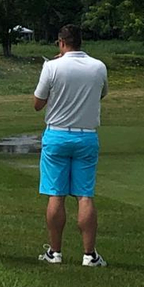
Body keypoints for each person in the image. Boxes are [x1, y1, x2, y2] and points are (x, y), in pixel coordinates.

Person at [33, 24, 108, 267]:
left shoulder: (52, 67)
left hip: (57, 135)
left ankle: (55, 252)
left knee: (56, 194)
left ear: (62, 43)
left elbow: (37, 103)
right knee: (84, 195)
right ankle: (89, 255)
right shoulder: (98, 66)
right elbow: (101, 94)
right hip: (86, 136)